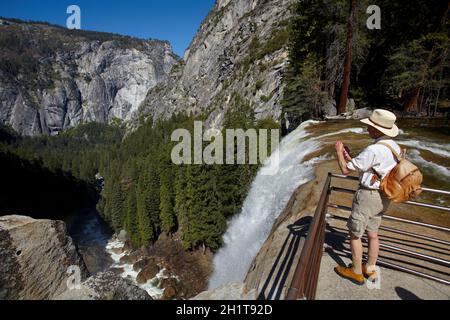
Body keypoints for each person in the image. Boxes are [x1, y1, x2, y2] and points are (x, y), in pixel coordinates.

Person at [334, 109, 402, 285]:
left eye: (370, 127)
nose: (367, 129)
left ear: (379, 130)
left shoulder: (374, 149)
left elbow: (345, 170)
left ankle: (356, 272)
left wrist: (339, 152)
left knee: (355, 233)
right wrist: (350, 157)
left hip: (368, 197)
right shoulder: (395, 147)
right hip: (384, 196)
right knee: (373, 234)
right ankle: (370, 269)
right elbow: (369, 168)